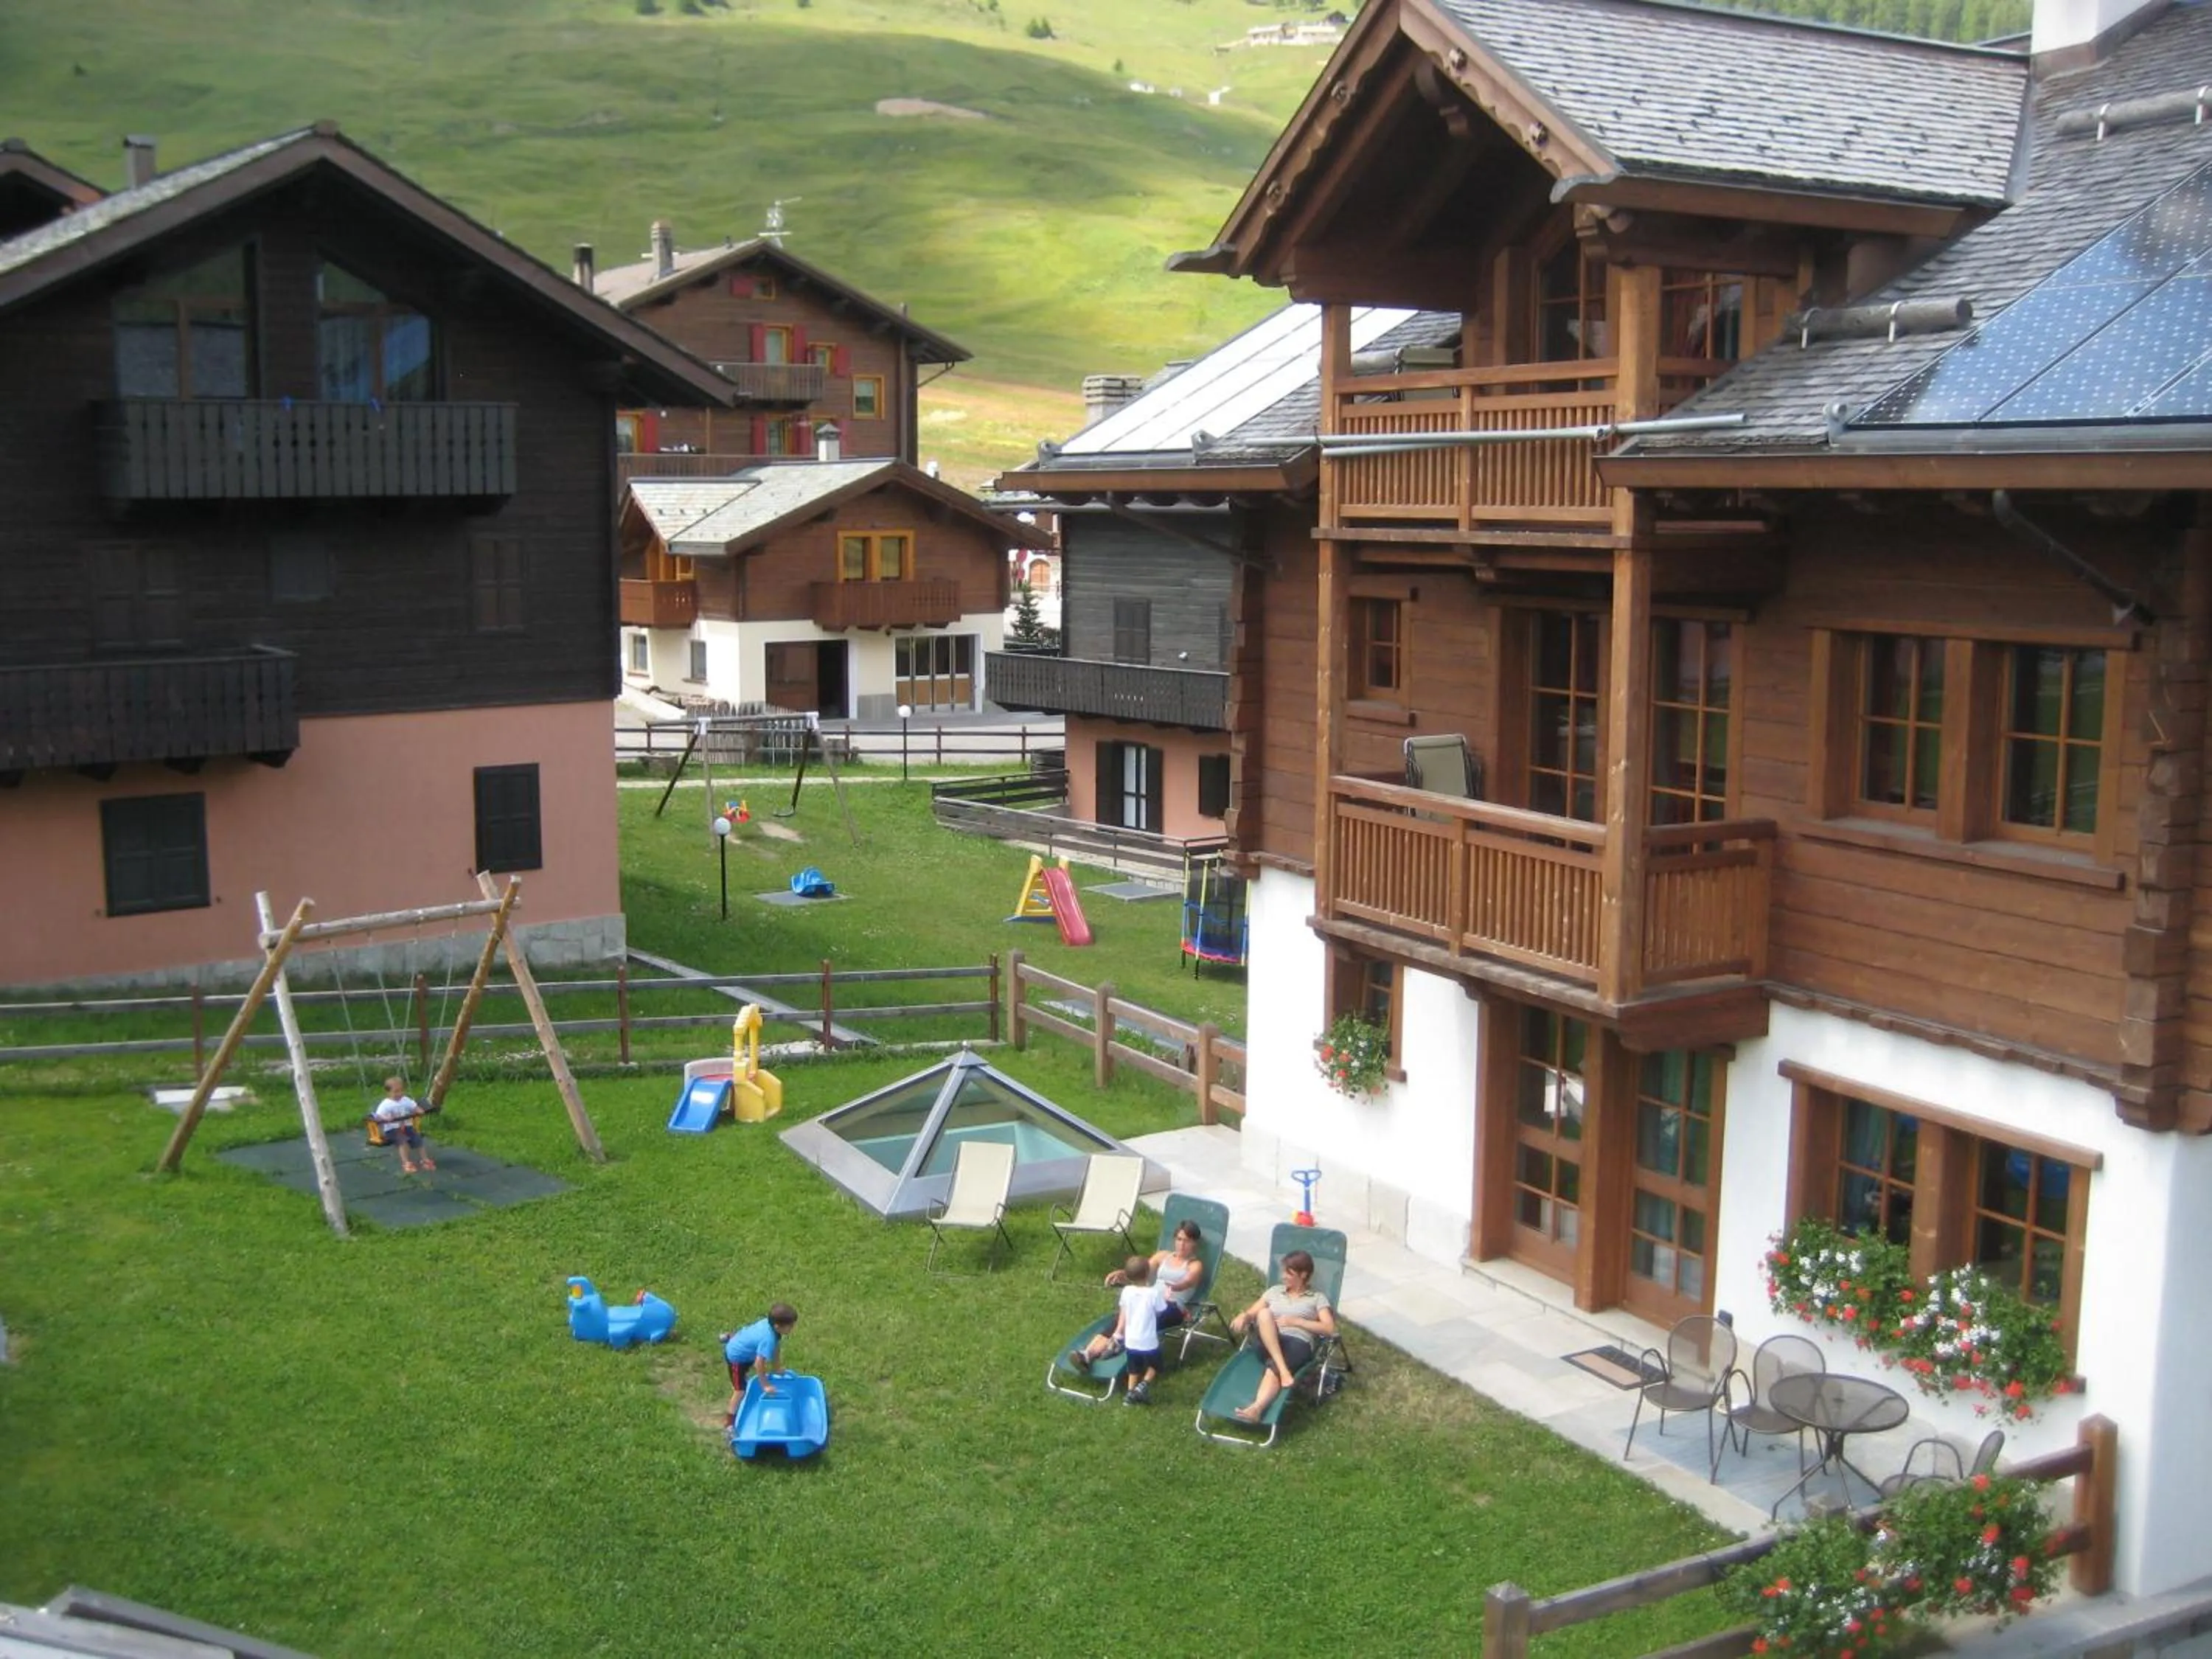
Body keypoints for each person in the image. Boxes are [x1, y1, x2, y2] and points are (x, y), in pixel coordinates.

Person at [1066, 1217, 1207, 1374]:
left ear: (1195, 1243)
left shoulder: (1195, 1265)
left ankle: (1117, 1343)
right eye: (1179, 1239)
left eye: (1187, 1241)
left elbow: (1188, 1282)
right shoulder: (1163, 1256)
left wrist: (1173, 1286)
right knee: (1124, 1316)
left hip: (1173, 1308)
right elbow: (1142, 1271)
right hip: (1149, 1301)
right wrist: (1123, 1274)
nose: (1182, 1244)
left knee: (1136, 1317)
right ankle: (1088, 1354)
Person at [1228, 1249, 1336, 1422]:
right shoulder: (1274, 1291)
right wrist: (1244, 1316)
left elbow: (1329, 1328)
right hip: (1268, 1339)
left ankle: (1256, 1409)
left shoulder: (1317, 1298)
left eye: (1289, 1273)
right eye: (1284, 1271)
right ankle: (1284, 1371)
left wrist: (1298, 1322)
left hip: (1297, 1344)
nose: (1283, 1276)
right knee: (1264, 1314)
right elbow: (1253, 1313)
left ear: (1303, 1275)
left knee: (1273, 1370)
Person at [1068, 1256, 1169, 1405]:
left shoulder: (1127, 1291)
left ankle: (1129, 1396)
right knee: (1156, 1365)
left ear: (1127, 1276)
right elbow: (1162, 1310)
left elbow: (1124, 1311)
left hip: (1130, 1341)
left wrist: (1118, 1333)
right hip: (1148, 1341)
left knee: (1133, 1368)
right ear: (1148, 1274)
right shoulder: (1154, 1293)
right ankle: (1142, 1386)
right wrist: (1166, 1297)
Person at [722, 1304, 799, 1430]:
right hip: (737, 1357)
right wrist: (765, 1385)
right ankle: (729, 1423)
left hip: (745, 1345)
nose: (792, 1328)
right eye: (790, 1326)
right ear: (778, 1326)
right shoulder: (768, 1338)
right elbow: (759, 1363)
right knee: (740, 1390)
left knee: (749, 1340)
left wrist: (777, 1367)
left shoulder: (770, 1327)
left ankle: (730, 1337)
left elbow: (776, 1347)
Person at [372, 1076, 434, 1175]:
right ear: (388, 1092)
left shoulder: (406, 1100)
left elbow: (414, 1107)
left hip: (407, 1127)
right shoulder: (386, 1104)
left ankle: (425, 1160)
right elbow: (377, 1117)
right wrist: (385, 1118)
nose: (399, 1094)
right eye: (396, 1091)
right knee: (403, 1141)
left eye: (401, 1091)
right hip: (392, 1130)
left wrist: (419, 1111)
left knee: (418, 1139)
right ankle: (406, 1163)